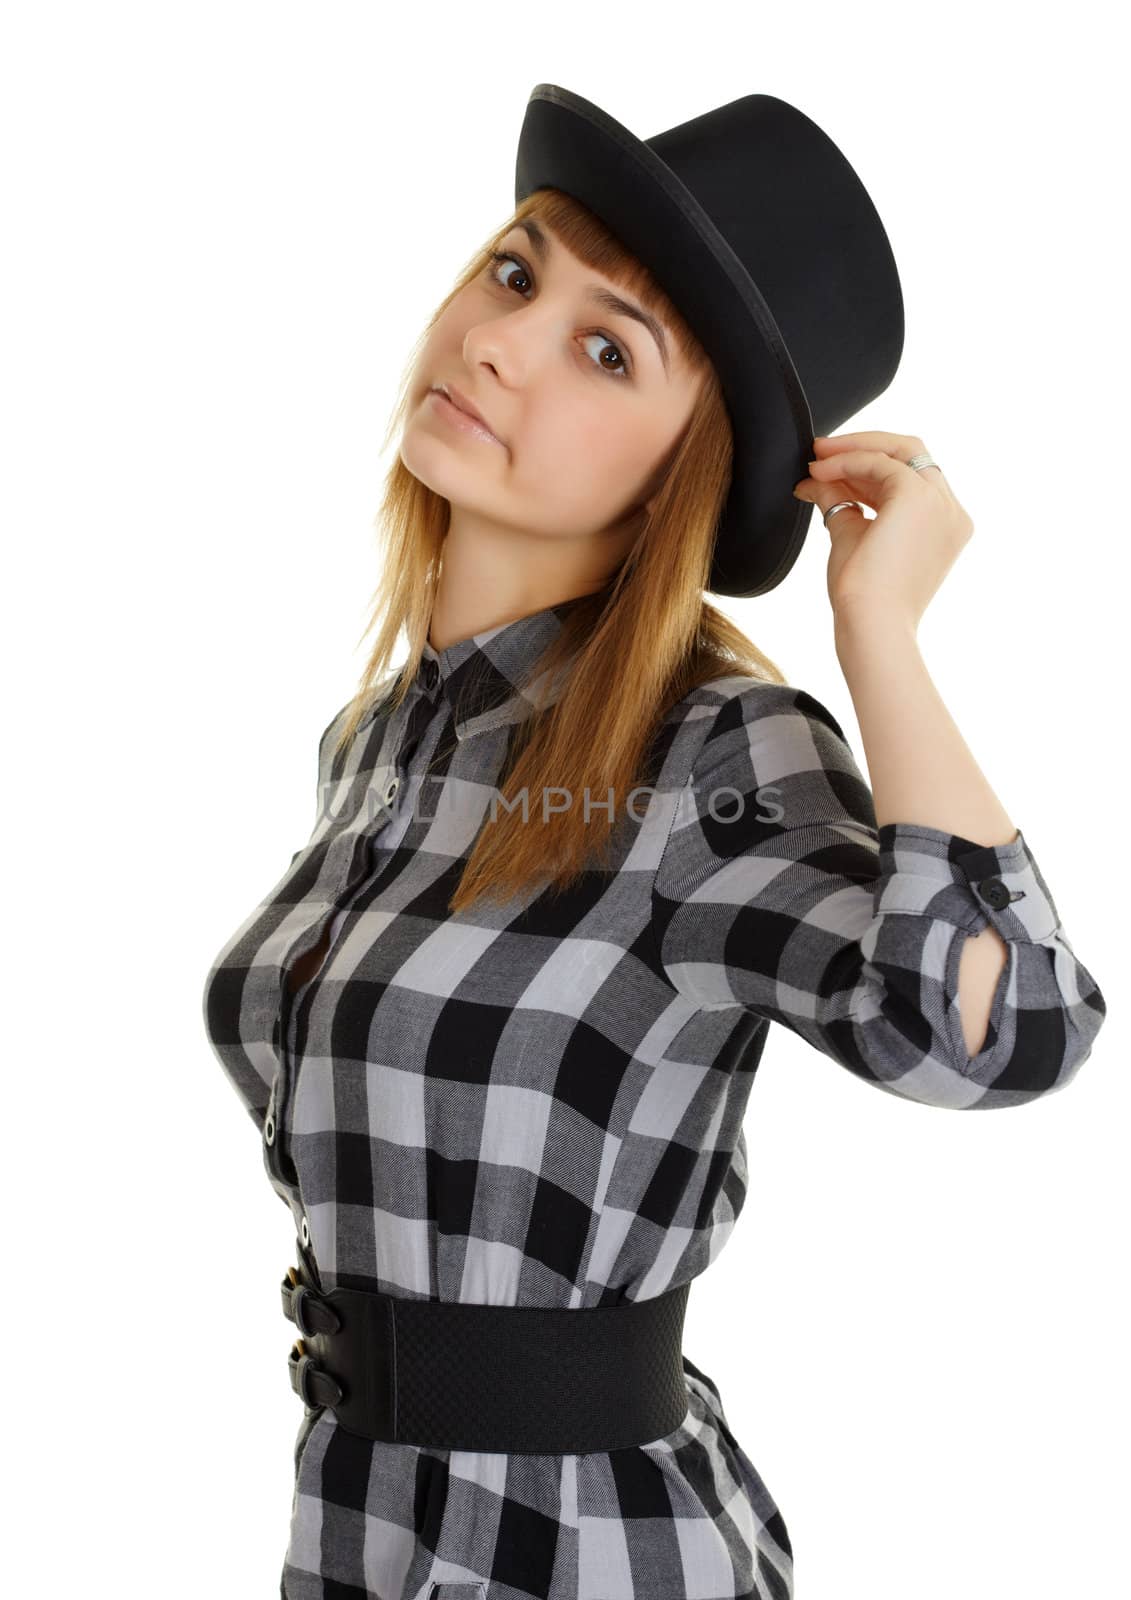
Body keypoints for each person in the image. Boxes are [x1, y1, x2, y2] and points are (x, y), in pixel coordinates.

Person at [202, 88, 1107, 1600]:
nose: (502, 340)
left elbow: (1006, 1032)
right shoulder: (377, 748)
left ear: (690, 469)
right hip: (358, 1529)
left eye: (607, 349)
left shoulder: (709, 756)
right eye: (517, 272)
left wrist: (878, 632)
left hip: (582, 1556)